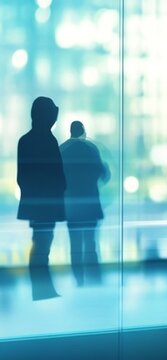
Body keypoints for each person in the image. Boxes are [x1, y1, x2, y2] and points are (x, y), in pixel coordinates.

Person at [17, 96, 66, 300]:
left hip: (37, 203)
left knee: (40, 242)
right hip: (47, 204)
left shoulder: (26, 140)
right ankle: (42, 289)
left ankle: (41, 288)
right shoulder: (48, 140)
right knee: (42, 244)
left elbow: (23, 177)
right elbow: (56, 174)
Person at [60, 121, 110, 287]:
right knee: (90, 243)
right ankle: (94, 277)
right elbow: (103, 174)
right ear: (84, 132)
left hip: (71, 205)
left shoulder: (62, 149)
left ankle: (78, 279)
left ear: (70, 132)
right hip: (90, 203)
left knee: (75, 244)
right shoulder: (91, 149)